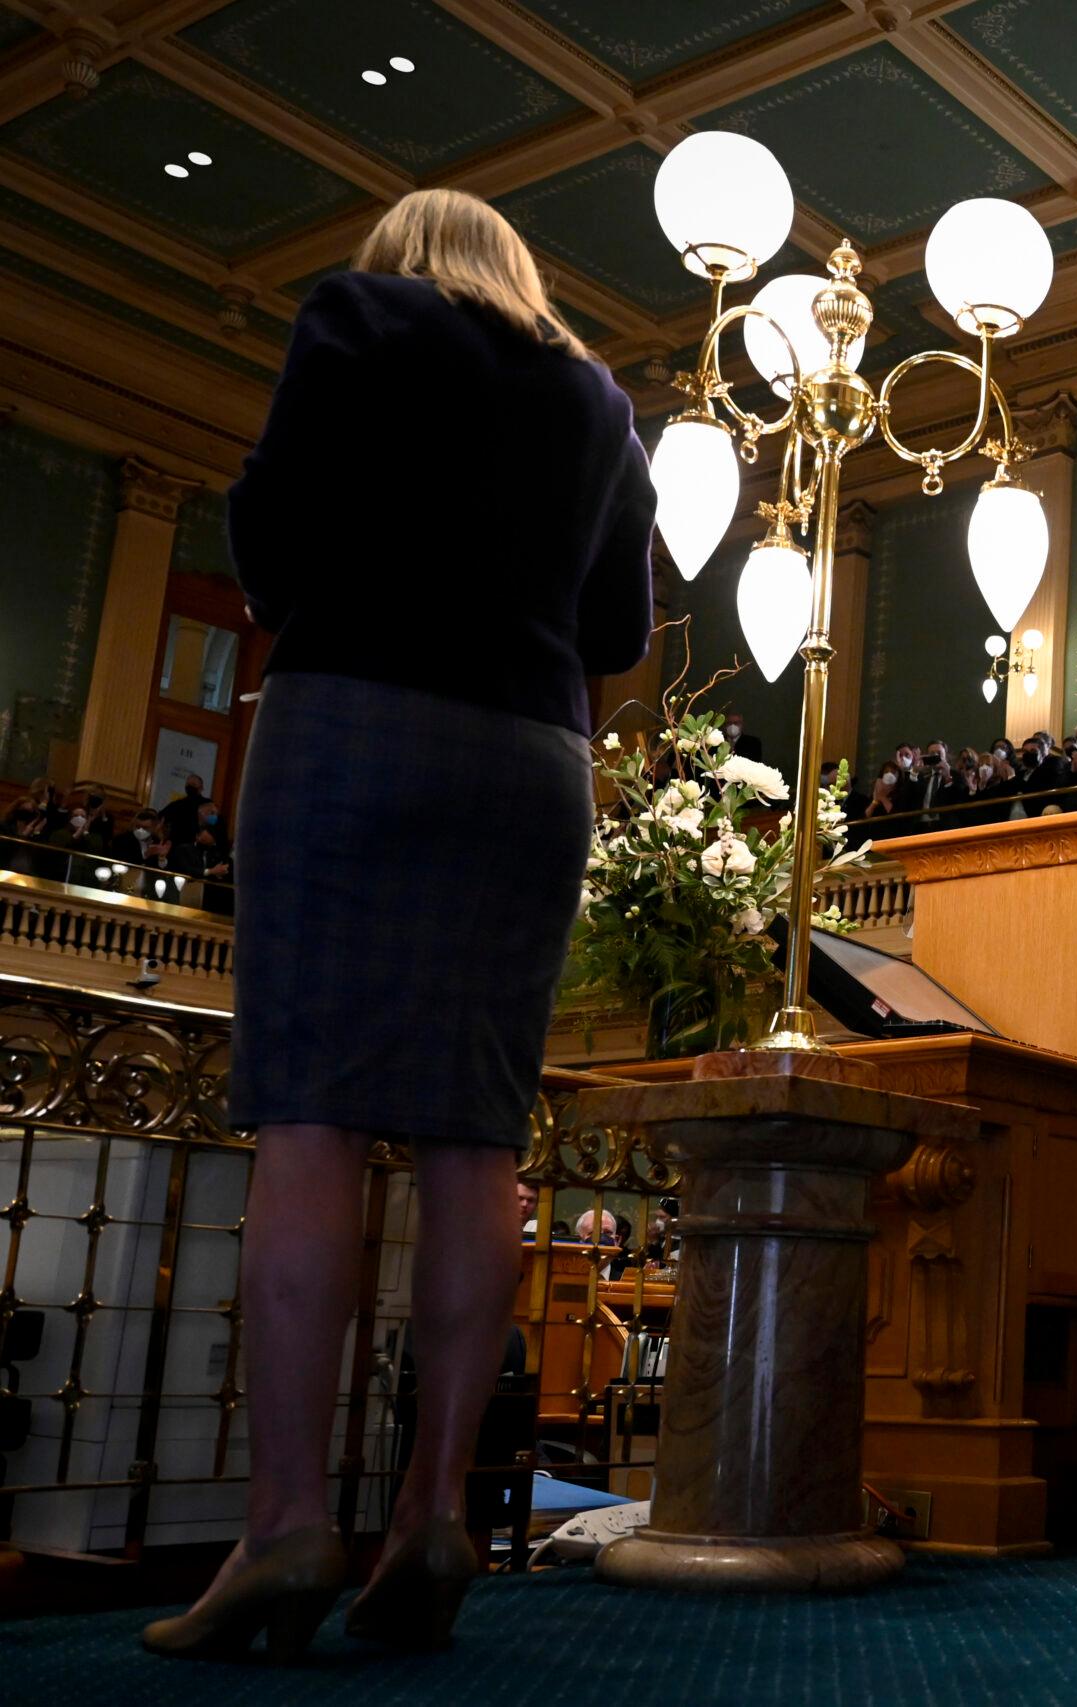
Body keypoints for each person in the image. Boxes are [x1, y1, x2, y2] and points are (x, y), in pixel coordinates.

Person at [143, 187, 655, 1662]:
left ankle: (288, 1520)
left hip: (357, 717)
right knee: (472, 1134)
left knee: (311, 1114)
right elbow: (616, 629)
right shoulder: (597, 395)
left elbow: (276, 515)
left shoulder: (360, 315)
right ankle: (434, 1509)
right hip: (531, 760)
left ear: (402, 259)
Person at [160, 773, 209, 846]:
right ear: (201, 788)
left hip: (191, 847)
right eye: (189, 784)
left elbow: (160, 818)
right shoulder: (209, 805)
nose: (190, 786)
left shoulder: (176, 804)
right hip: (182, 846)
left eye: (193, 784)